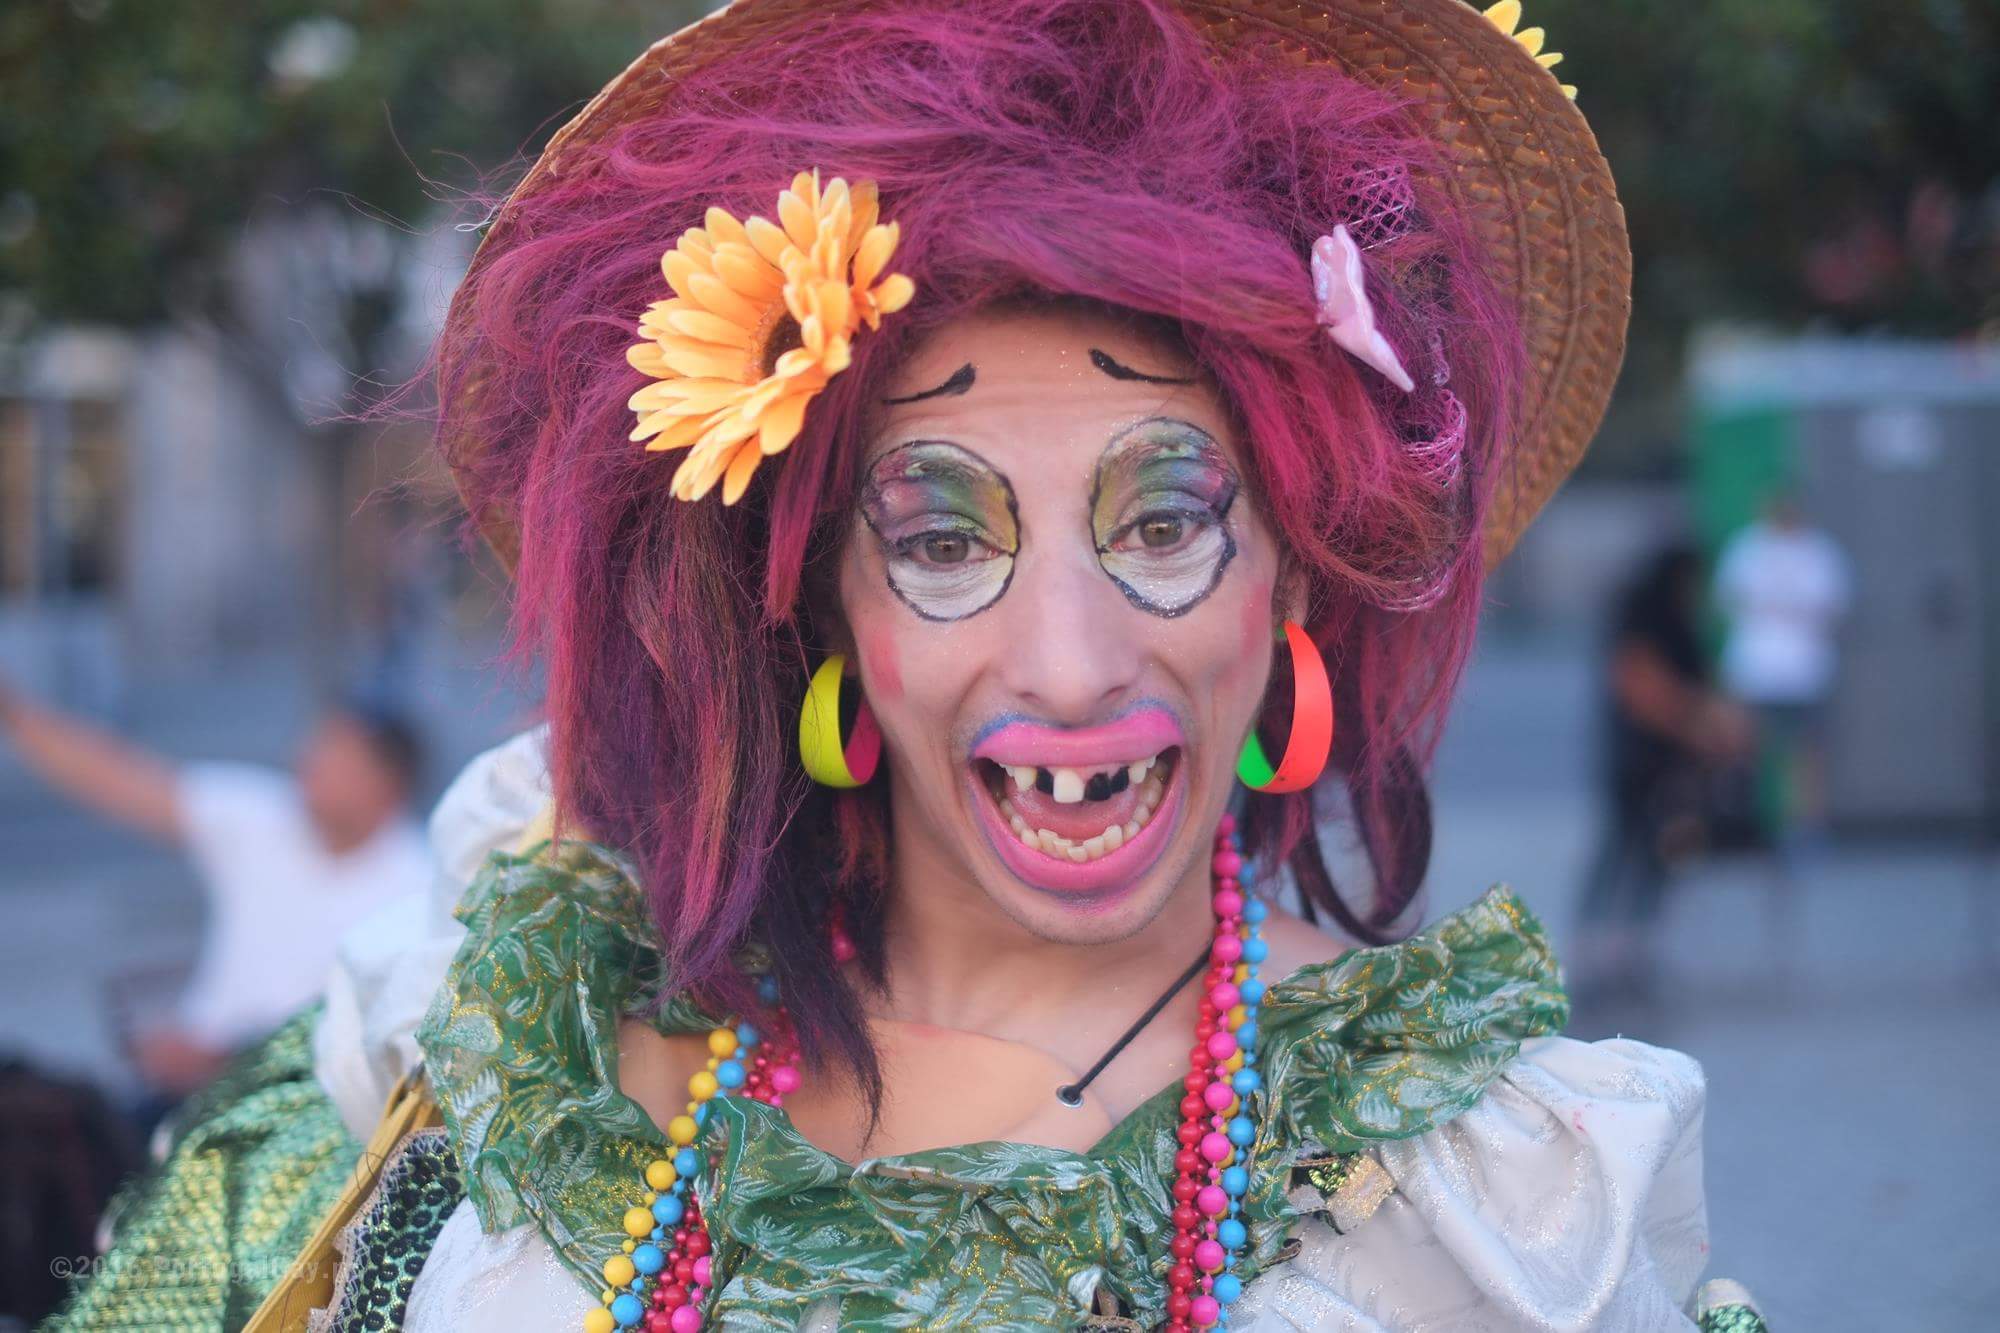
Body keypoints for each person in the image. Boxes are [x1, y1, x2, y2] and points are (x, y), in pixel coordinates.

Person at [50, 3, 1768, 1330]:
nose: (1072, 662)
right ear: (820, 612)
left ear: (1295, 575)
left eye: (1167, 520)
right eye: (942, 539)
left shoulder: (1494, 1204)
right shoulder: (521, 1012)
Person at [0, 682, 431, 1099]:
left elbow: (375, 1047)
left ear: (388, 784)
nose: (310, 762)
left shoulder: (419, 886)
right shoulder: (263, 817)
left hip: (304, 1107)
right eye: (317, 747)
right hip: (187, 1082)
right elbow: (118, 780)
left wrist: (220, 1059)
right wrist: (14, 712)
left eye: (337, 756)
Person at [1575, 545, 1752, 998]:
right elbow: (1643, 690)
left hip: (1673, 762)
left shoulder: (1681, 625)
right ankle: (1598, 946)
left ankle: (1632, 945)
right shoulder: (1646, 624)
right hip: (1640, 756)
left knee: (1657, 855)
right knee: (1624, 846)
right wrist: (1696, 724)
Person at [1713, 493, 1851, 850]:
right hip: (1755, 671)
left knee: (1804, 755)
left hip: (1804, 673)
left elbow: (1833, 607)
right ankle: (1746, 824)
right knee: (1746, 750)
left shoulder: (1818, 551)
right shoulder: (1747, 549)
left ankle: (1804, 831)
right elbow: (1727, 600)